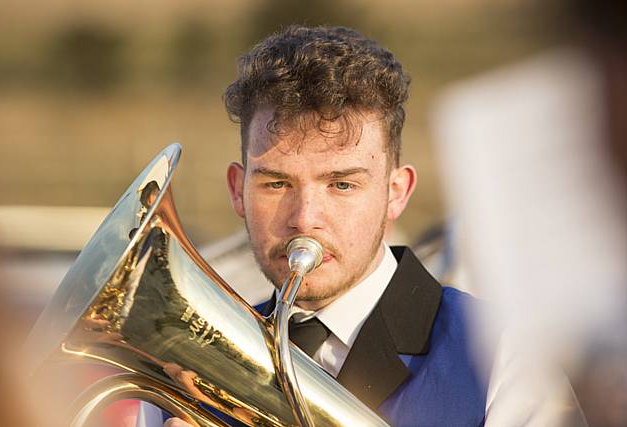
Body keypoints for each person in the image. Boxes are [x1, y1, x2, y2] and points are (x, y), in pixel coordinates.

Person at [165, 25, 490, 427]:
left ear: (396, 193)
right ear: (238, 190)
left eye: (341, 184)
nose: (304, 218)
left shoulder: (497, 354)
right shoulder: (187, 369)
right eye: (276, 183)